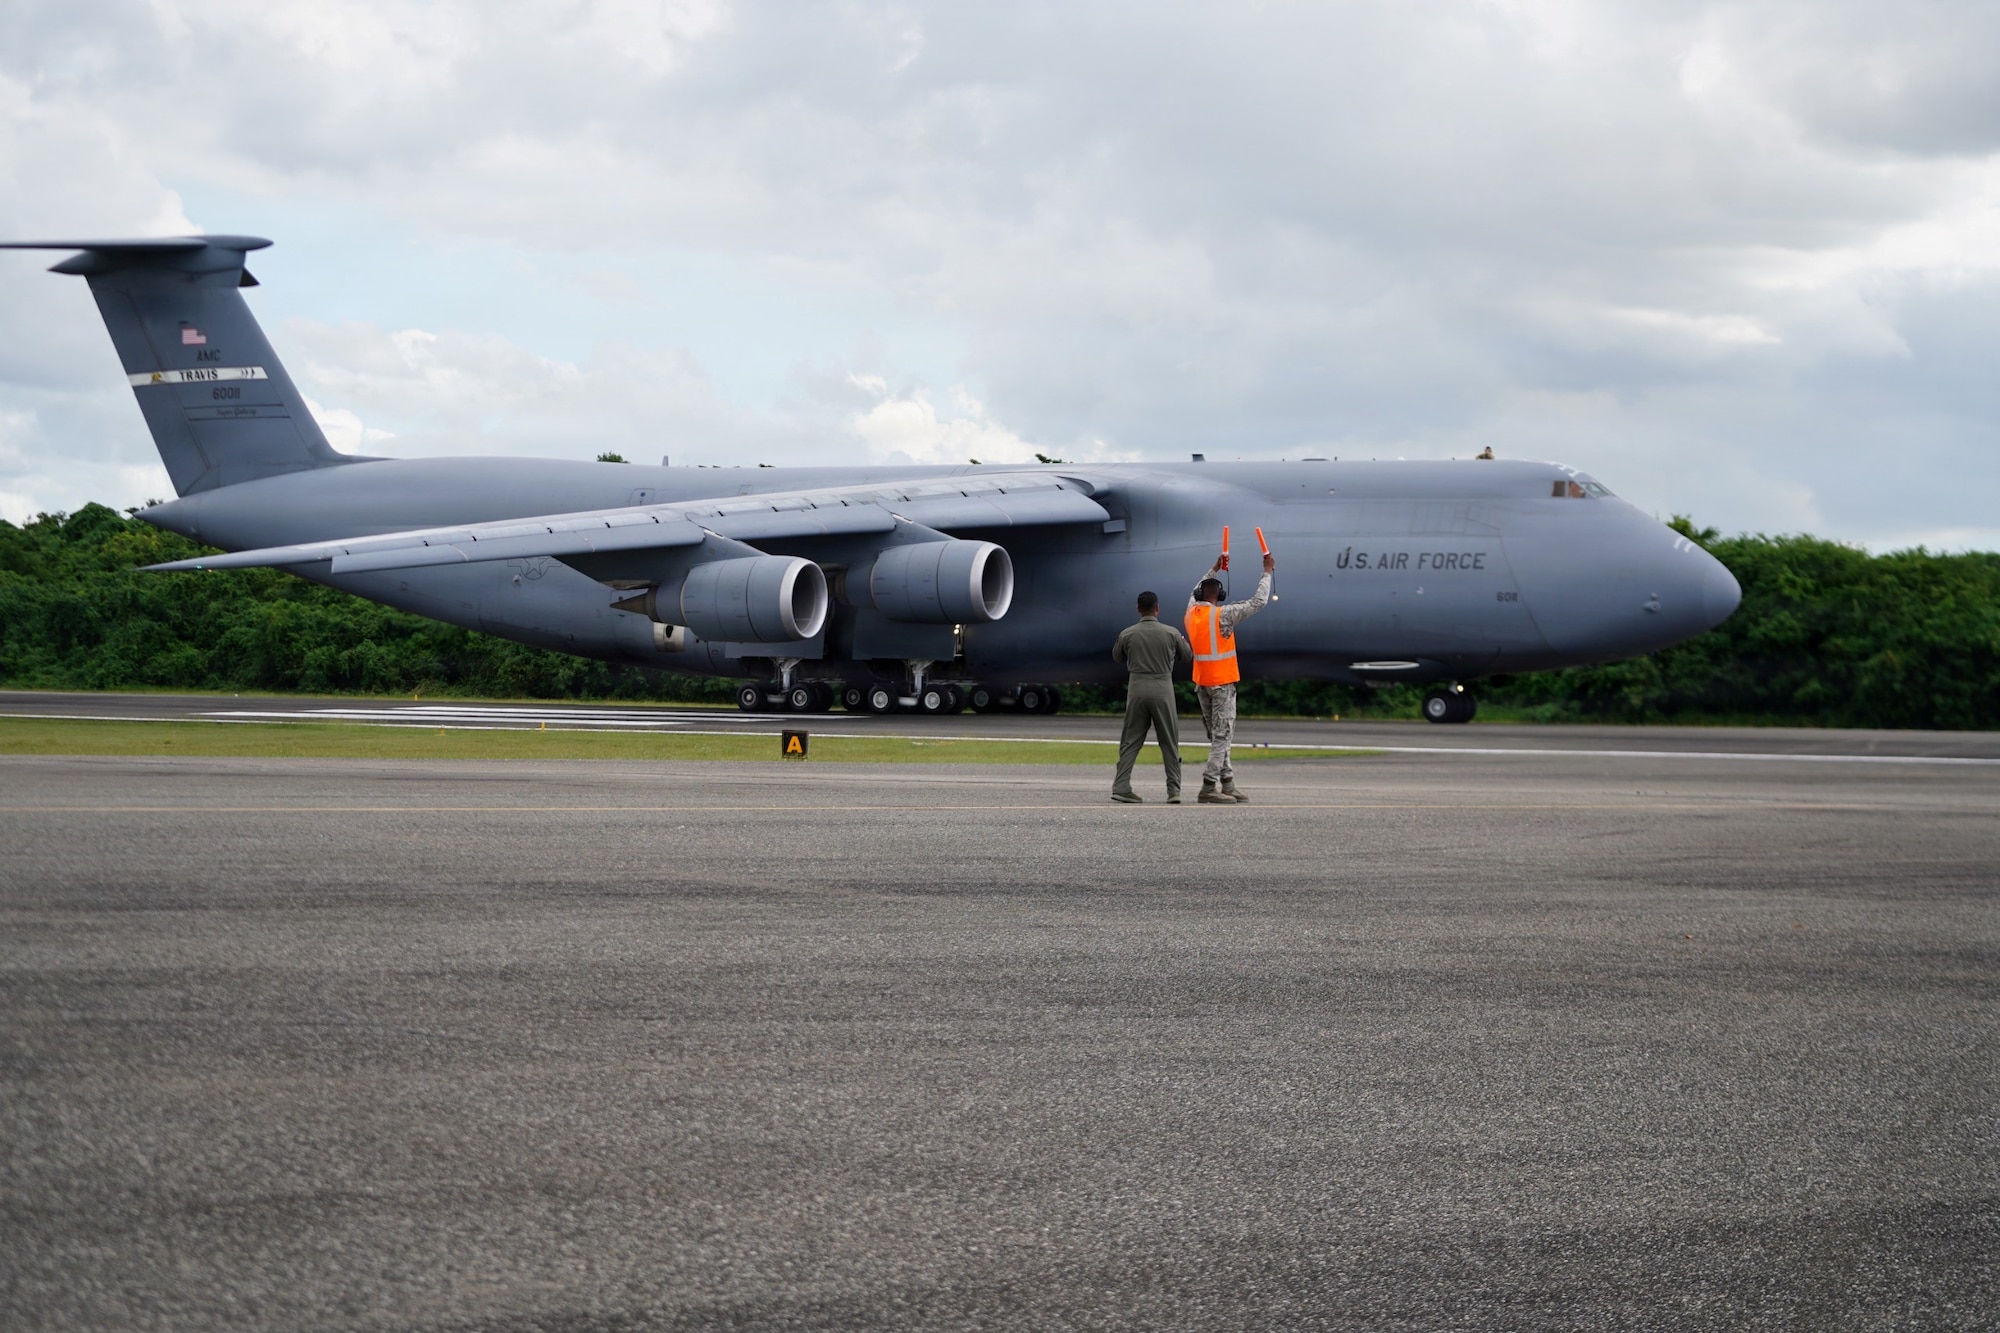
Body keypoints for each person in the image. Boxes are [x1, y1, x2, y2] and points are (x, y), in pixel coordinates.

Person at [1184, 547, 1273, 803]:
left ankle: (1228, 782)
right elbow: (1259, 602)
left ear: (1201, 593)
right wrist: (1267, 572)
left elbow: (1194, 590)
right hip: (1222, 683)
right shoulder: (1223, 615)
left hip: (1202, 683)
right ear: (1219, 595)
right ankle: (1208, 786)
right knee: (1222, 735)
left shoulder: (1191, 613)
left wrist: (1215, 566)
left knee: (1218, 735)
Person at [1109, 590, 1192, 803]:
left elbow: (1117, 656)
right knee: (1169, 741)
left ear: (1138, 609)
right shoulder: (1171, 633)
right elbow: (1187, 655)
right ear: (1157, 608)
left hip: (1136, 688)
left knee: (1130, 740)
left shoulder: (1127, 633)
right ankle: (1173, 790)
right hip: (1163, 688)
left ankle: (1121, 785)